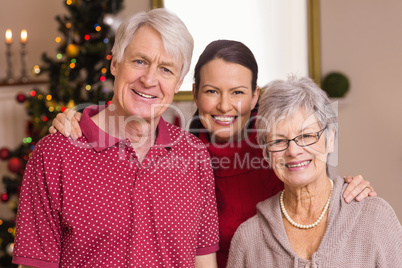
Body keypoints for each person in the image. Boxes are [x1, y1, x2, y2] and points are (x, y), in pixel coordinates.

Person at [49, 40, 376, 268]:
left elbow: (313, 189)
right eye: (211, 91)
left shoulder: (276, 149)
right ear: (194, 93)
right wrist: (84, 117)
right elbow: (131, 126)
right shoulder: (178, 153)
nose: (223, 105)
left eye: (237, 92)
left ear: (254, 96)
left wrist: (349, 189)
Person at [13, 9, 219, 268]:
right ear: (114, 63)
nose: (149, 79)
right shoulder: (54, 154)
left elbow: (204, 262)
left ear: (178, 83)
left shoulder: (194, 155)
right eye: (140, 61)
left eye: (166, 69)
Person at [227, 76, 402, 267]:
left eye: (307, 136)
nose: (293, 151)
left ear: (331, 139)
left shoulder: (375, 218)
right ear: (266, 152)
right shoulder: (248, 240)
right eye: (278, 140)